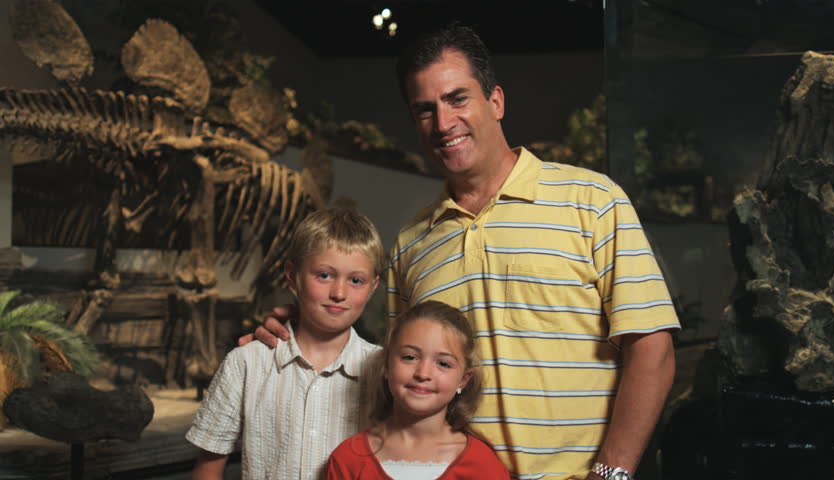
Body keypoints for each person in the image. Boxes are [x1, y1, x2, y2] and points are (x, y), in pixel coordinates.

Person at [246, 23, 679, 480]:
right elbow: (399, 370)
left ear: (495, 101)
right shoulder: (413, 241)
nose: (444, 122)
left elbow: (652, 348)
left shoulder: (592, 200)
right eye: (425, 110)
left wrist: (611, 475)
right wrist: (306, 333)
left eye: (457, 99)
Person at [188, 206, 384, 479]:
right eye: (324, 275)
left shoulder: (385, 371)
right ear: (292, 276)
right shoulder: (245, 363)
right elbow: (208, 469)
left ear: (373, 286)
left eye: (355, 280)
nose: (339, 293)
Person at [325, 300, 510, 480]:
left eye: (443, 363)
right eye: (409, 357)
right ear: (387, 365)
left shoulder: (482, 465)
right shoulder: (349, 459)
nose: (423, 373)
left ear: (463, 380)